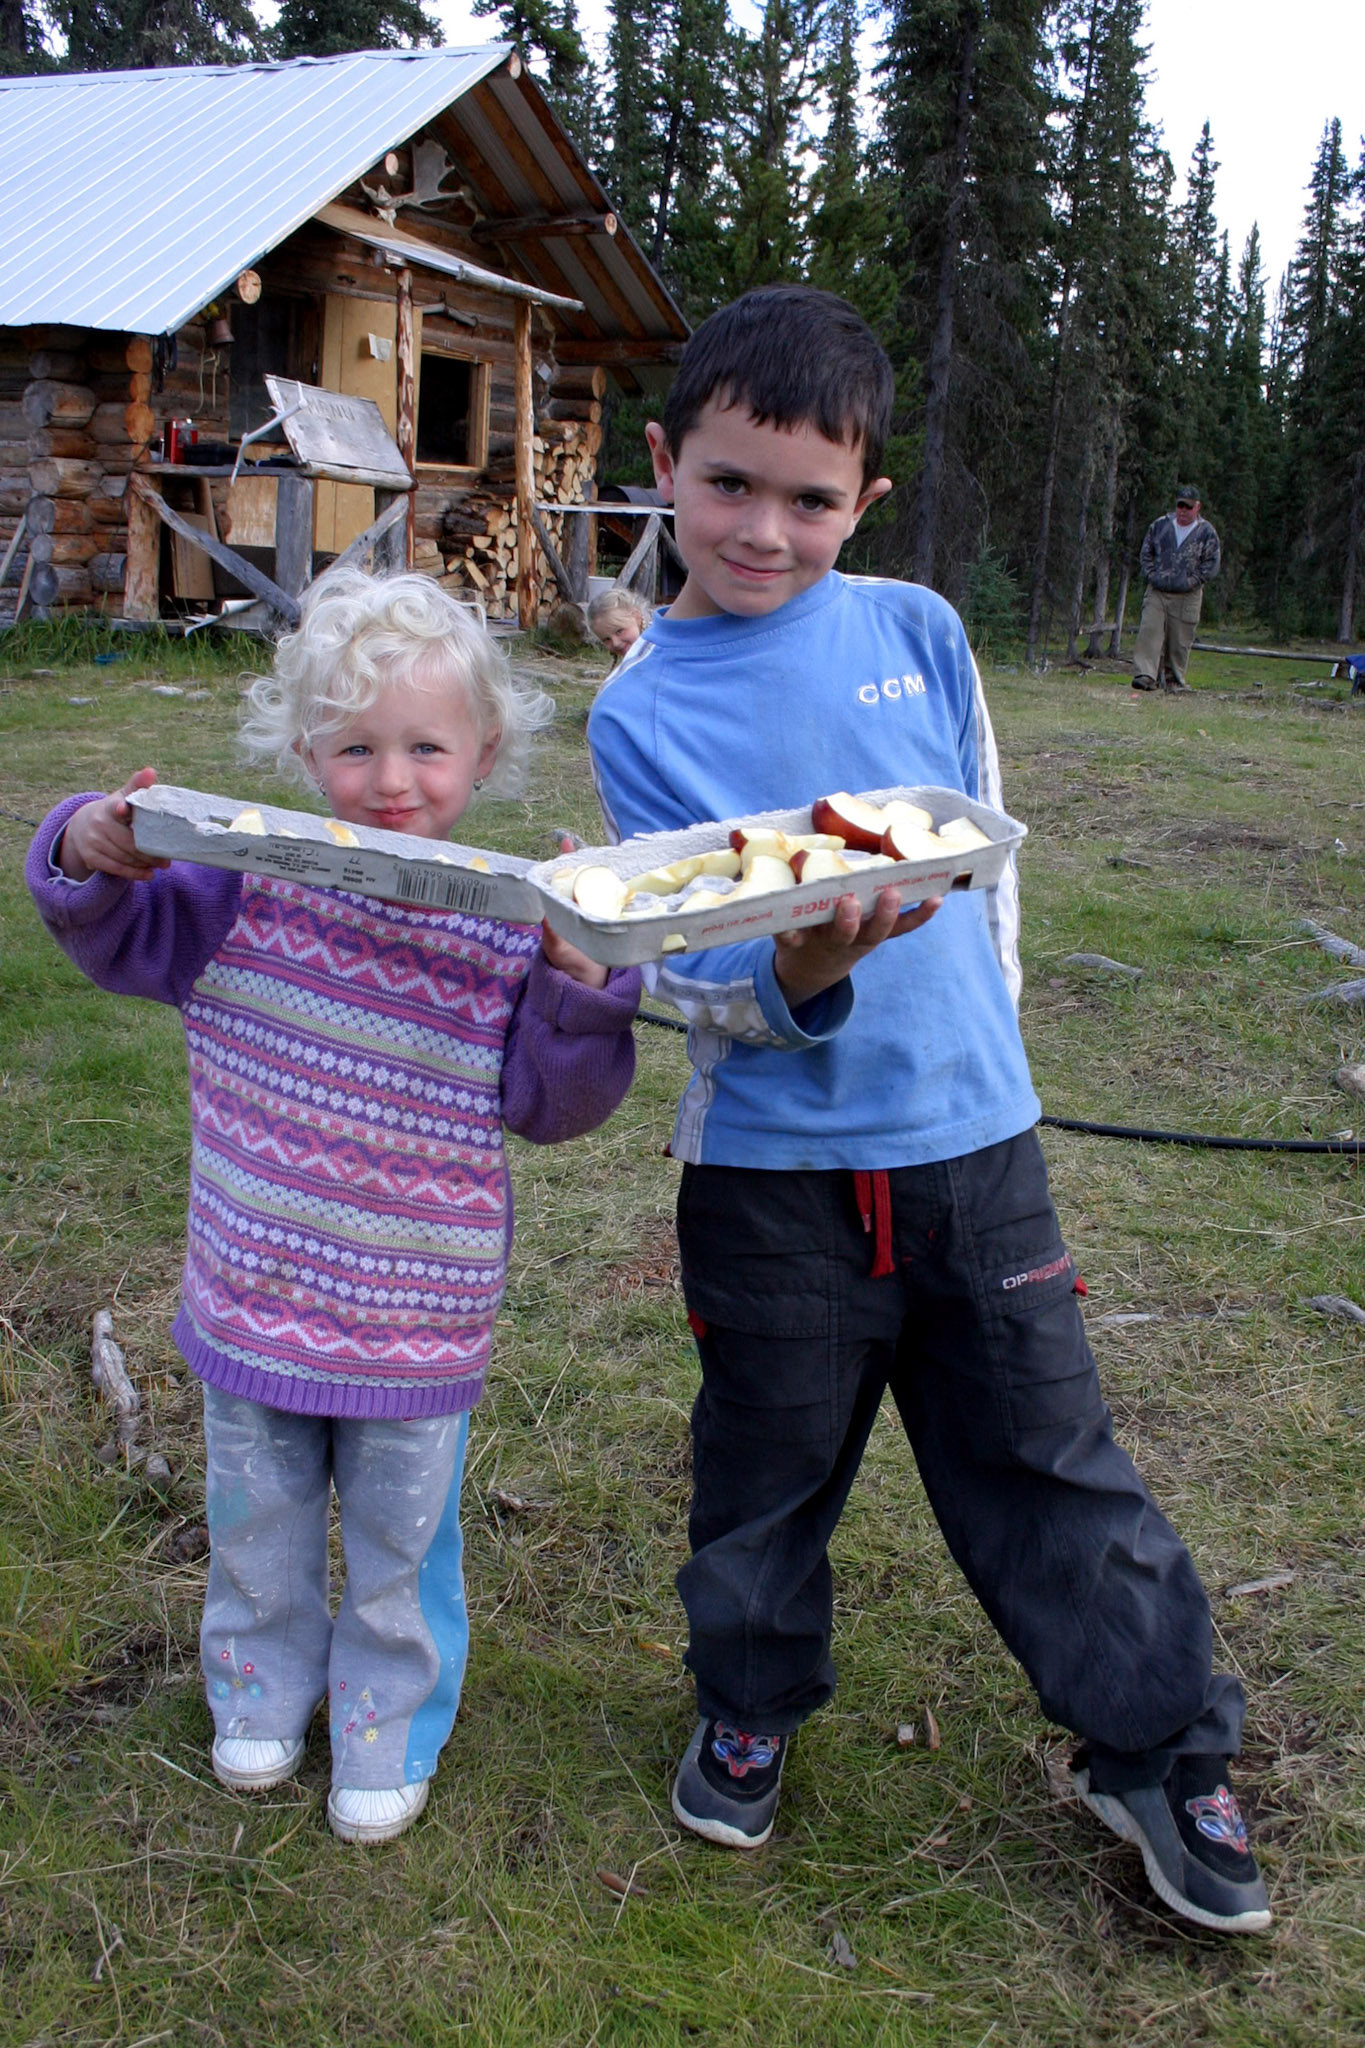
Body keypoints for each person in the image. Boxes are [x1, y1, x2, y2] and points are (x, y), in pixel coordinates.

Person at [586, 287, 1271, 1935]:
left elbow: (990, 857)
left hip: (979, 1156)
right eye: (731, 484)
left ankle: (1160, 1746)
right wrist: (804, 964)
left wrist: (995, 1060)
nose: (767, 528)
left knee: (1051, 1456)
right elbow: (694, 979)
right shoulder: (642, 710)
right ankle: (748, 1702)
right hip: (771, 1179)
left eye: (811, 498)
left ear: (866, 499)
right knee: (765, 1468)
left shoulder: (921, 630)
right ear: (663, 465)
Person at [27, 569, 641, 1845]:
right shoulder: (238, 883)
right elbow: (107, 926)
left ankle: (384, 1722)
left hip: (417, 1313)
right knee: (256, 1522)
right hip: (254, 1293)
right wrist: (89, 837)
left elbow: (556, 1101)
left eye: (427, 745)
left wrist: (582, 979)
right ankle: (257, 1690)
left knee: (399, 1546)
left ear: (485, 750)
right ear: (306, 748)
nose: (394, 779)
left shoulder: (508, 924)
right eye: (356, 746)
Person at [1131, 487, 1221, 692]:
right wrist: (1153, 576)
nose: (1183, 510)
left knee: (1180, 640)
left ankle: (1174, 680)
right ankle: (1145, 675)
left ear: (1197, 507)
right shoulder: (1160, 525)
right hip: (1157, 591)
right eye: (1180, 505)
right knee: (1149, 629)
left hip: (1188, 595)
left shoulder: (1207, 532)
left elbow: (1212, 563)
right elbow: (1146, 553)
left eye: (1188, 507)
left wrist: (1192, 581)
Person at [587, 585, 652, 665]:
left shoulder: (660, 647)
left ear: (637, 617)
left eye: (619, 631)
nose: (616, 643)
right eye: (606, 639)